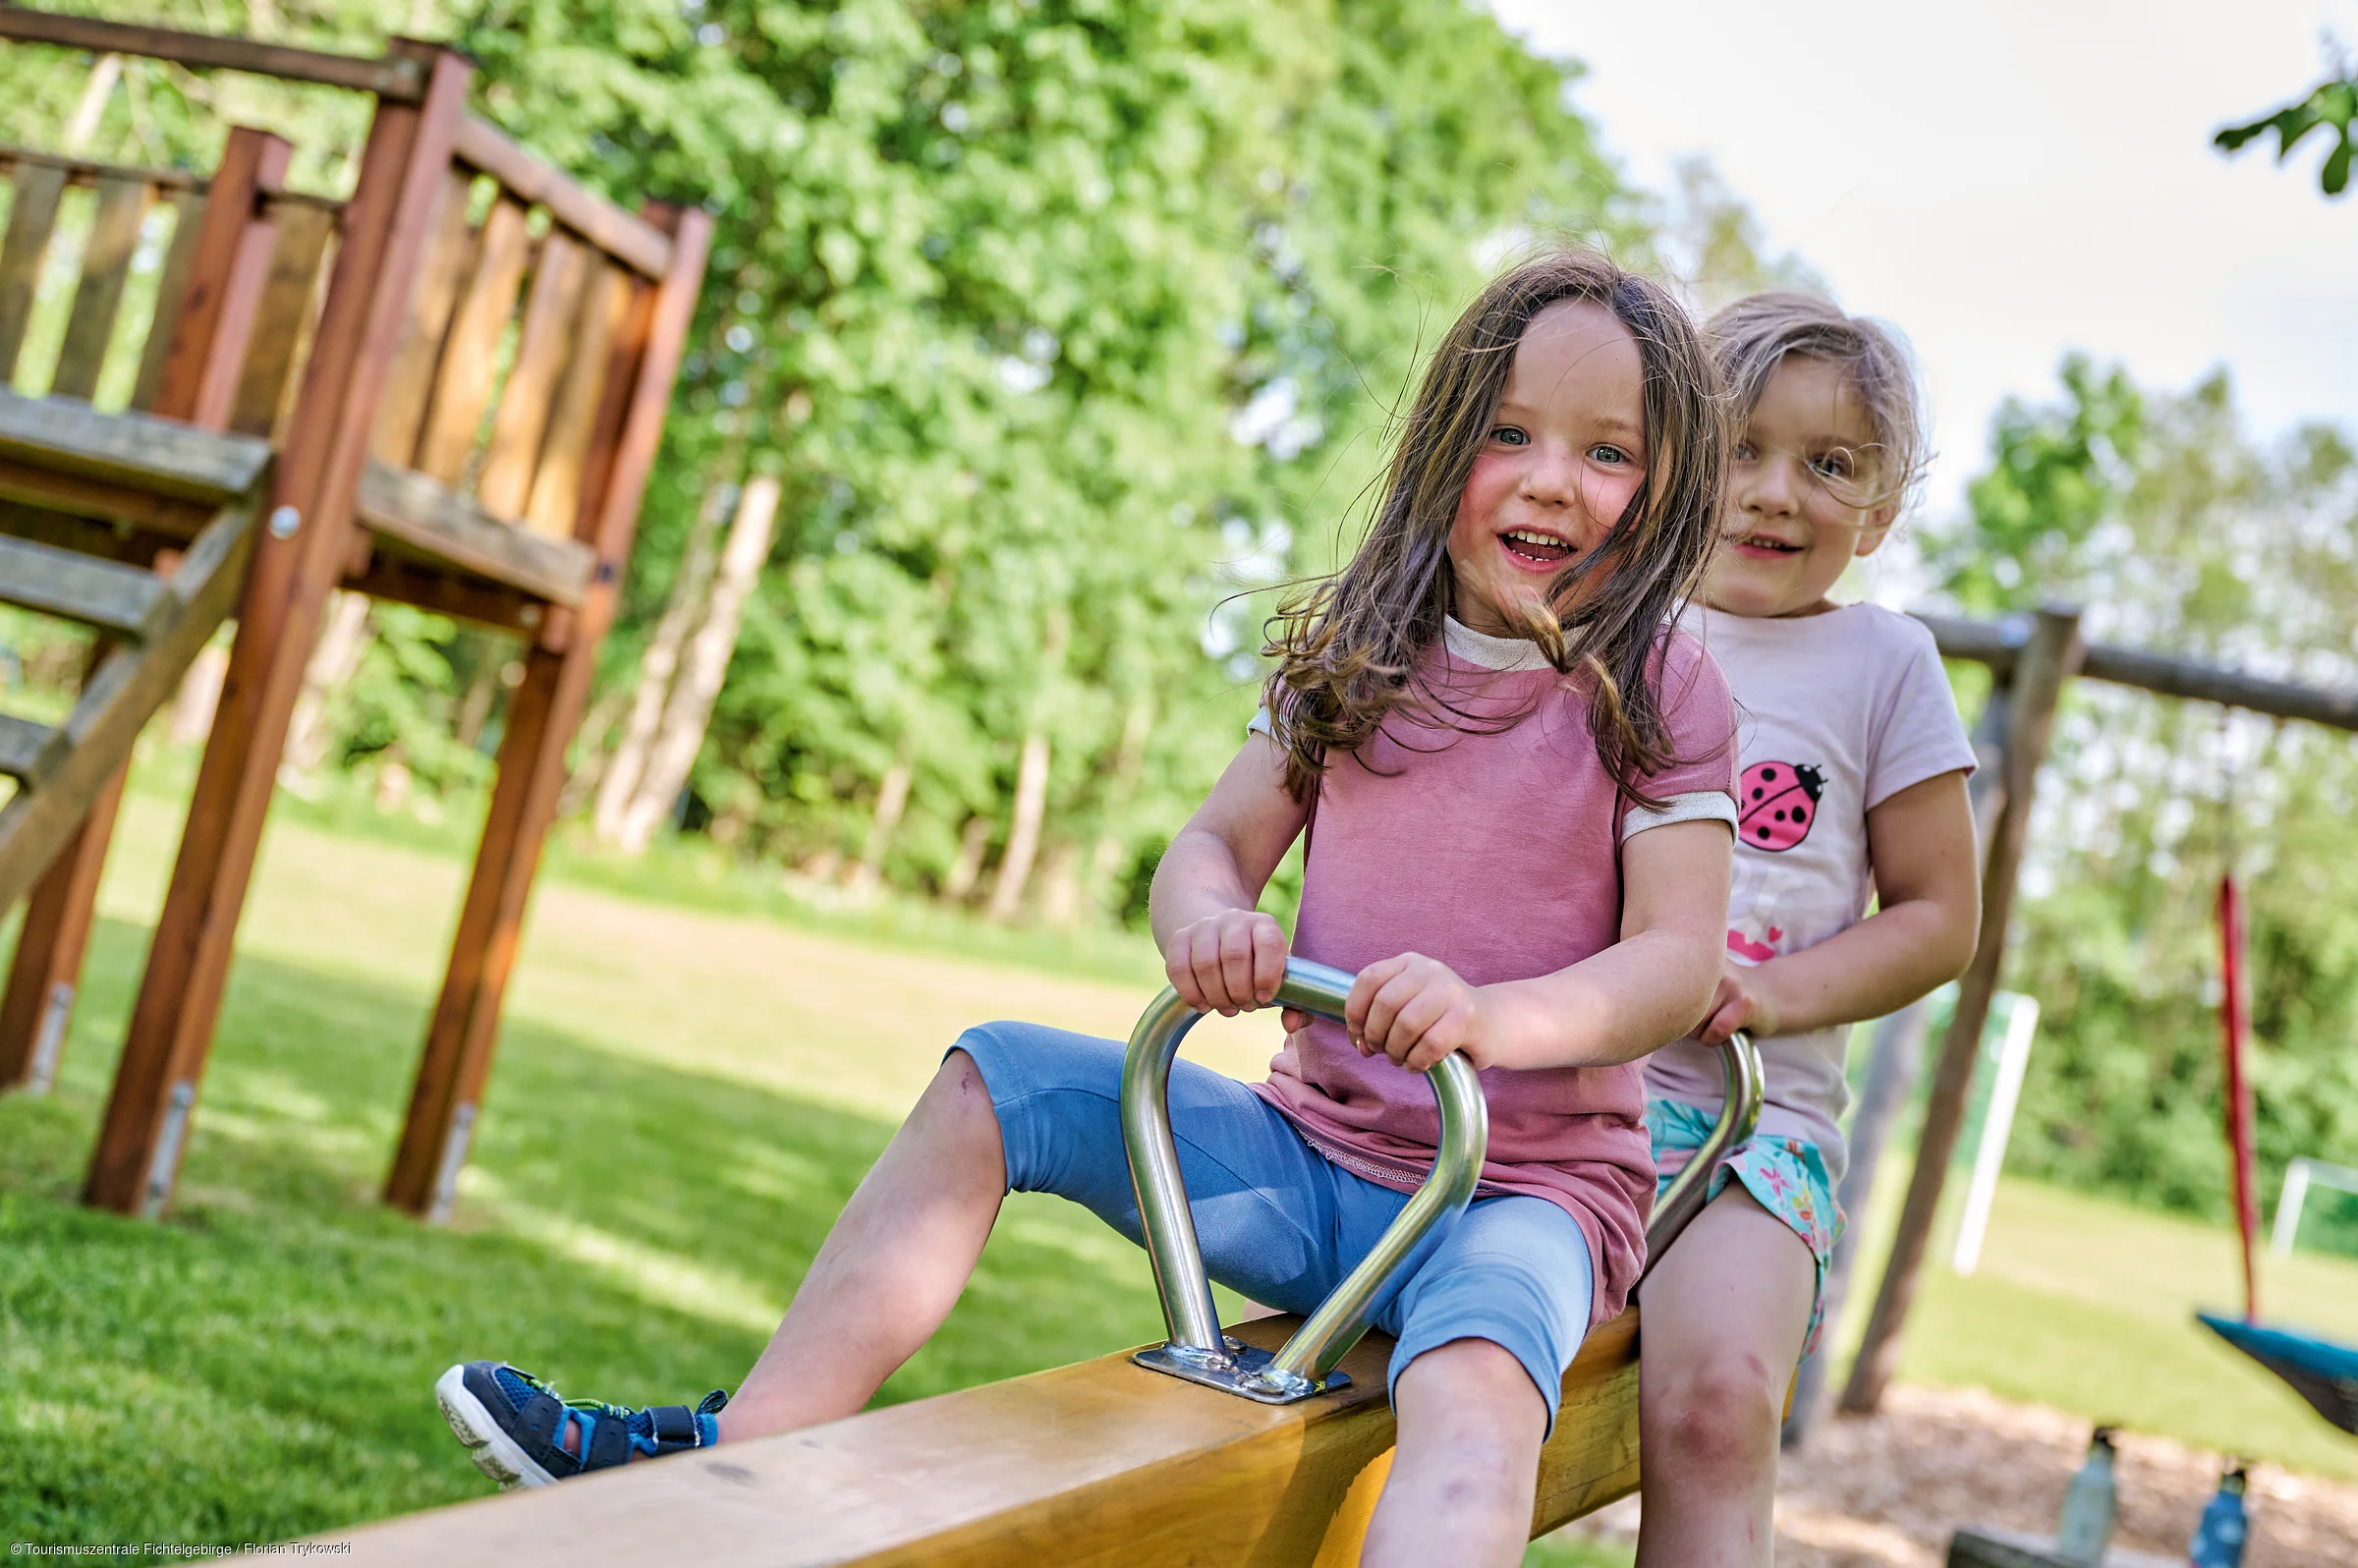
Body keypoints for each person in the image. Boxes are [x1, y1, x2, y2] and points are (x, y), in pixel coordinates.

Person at [435, 247, 1739, 1568]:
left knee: (1472, 1406)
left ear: (1665, 487)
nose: (1551, 480)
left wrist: (1494, 1018)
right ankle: (740, 1466)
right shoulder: (1362, 649)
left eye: (1608, 454)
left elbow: (1680, 961)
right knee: (994, 1081)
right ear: (1445, 444)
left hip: (1516, 1197)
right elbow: (1212, 844)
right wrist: (1210, 922)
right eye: (1509, 432)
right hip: (1315, 1166)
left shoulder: (1659, 691)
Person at [1632, 292, 1983, 1568]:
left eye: (1828, 465)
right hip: (1549, 1108)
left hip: (1746, 1131)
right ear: (1674, 458)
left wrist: (1774, 998)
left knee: (1719, 1407)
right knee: (1408, 1371)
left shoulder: (1886, 665)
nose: (1777, 492)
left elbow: (1941, 916)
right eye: (1741, 449)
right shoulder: (1610, 627)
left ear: (1879, 510)